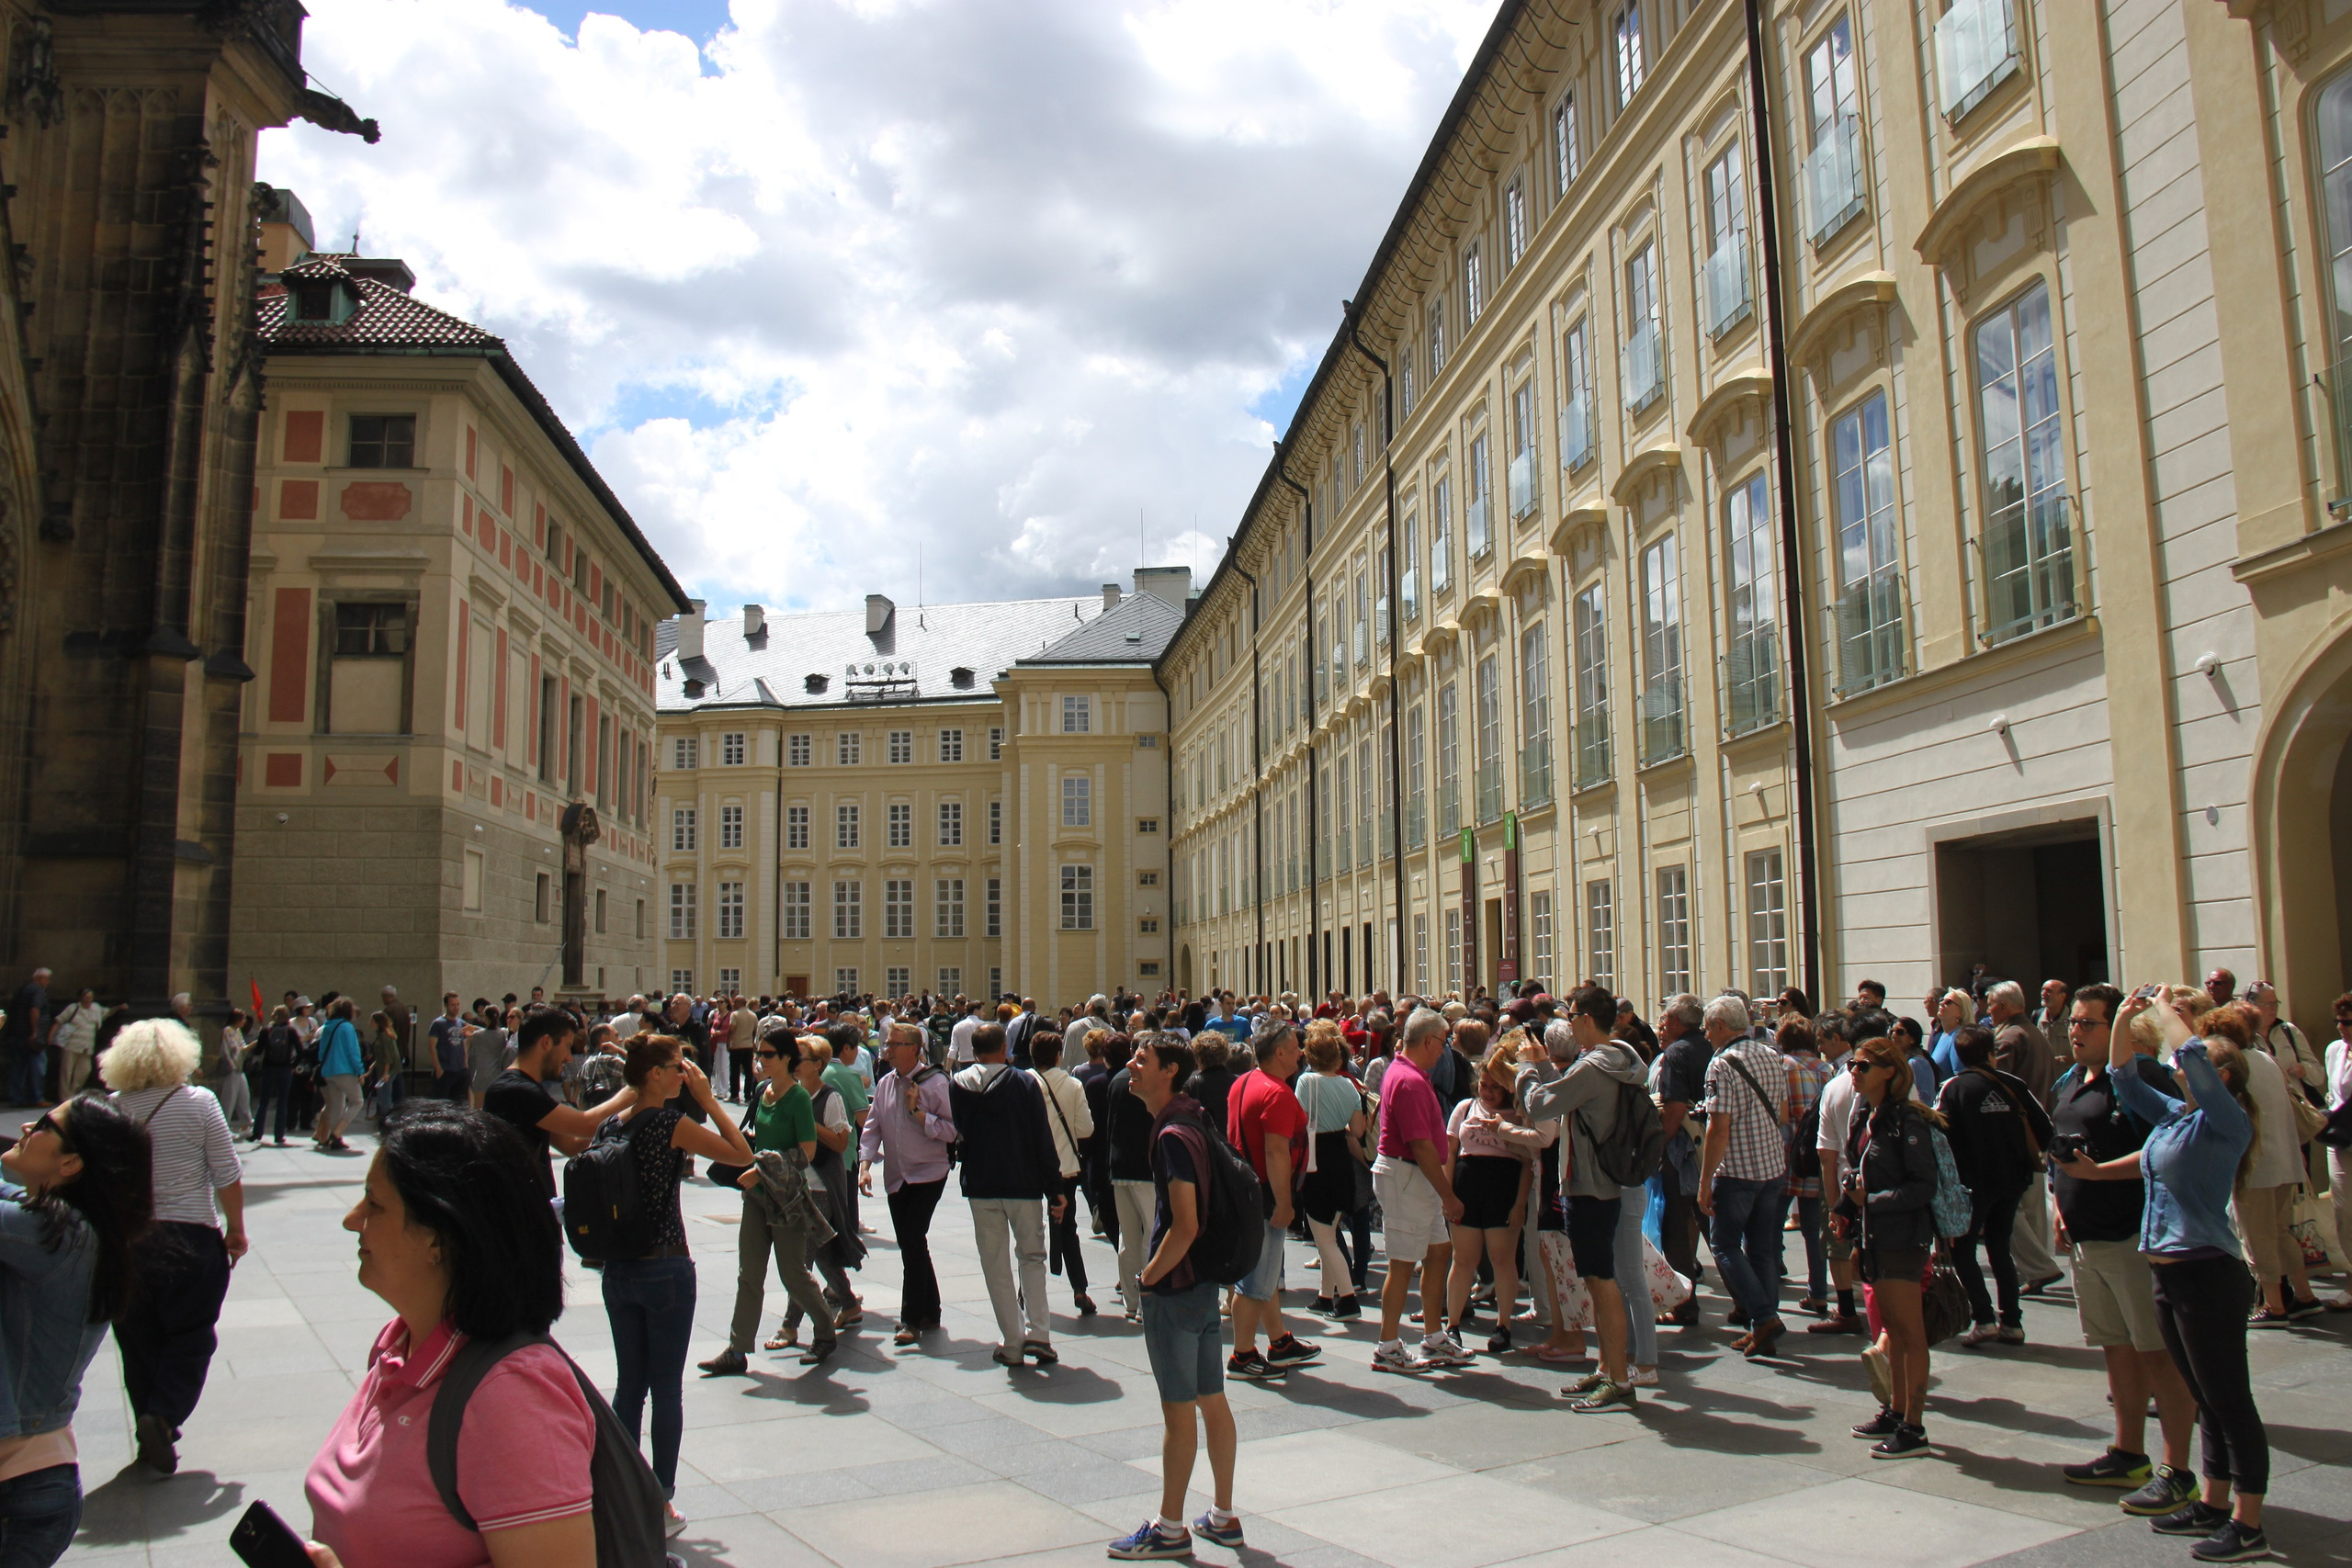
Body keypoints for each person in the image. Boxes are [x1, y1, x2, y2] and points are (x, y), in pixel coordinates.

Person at [300, 1101, 607, 1568]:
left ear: (439, 1237)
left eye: (376, 1204)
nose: (353, 1219)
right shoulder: (398, 1344)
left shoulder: (510, 1397)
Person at [2062, 990, 2269, 1563]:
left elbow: (2196, 1059)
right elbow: (2126, 1080)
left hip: (2207, 1274)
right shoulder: (2177, 1119)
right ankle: (2214, 1501)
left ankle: (2249, 1524)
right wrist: (2128, 1018)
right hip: (2167, 1275)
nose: (2179, 1073)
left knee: (2230, 1401)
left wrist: (2178, 1020)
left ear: (2221, 1078)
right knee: (2204, 1395)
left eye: (2192, 1069)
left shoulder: (2225, 1123)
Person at [2049, 982, 2203, 1514]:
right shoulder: (2070, 1080)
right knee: (2116, 1347)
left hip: (2134, 1237)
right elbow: (2059, 1149)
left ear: (2118, 1026)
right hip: (2086, 1238)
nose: (2075, 1031)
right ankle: (2128, 1453)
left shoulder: (2139, 1078)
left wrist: (2097, 1174)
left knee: (2159, 1353)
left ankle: (2178, 1469)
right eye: (2073, 1021)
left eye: (2088, 1023)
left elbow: (2169, 1145)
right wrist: (2060, 1204)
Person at [594, 1036, 751, 1529]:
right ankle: (660, 1501)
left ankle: (620, 1491)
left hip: (618, 1268)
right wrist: (708, 1101)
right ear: (657, 1075)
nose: (684, 1075)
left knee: (628, 1388)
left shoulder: (609, 1126)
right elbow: (740, 1152)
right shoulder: (670, 1123)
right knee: (665, 1390)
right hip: (665, 1264)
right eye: (677, 1068)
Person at [1108, 1032, 1243, 1562]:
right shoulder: (1194, 1117)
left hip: (1178, 1287)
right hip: (1204, 1285)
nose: (1132, 1067)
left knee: (1178, 1412)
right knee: (1212, 1398)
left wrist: (1147, 1277)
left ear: (1169, 1071)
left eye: (1142, 1061)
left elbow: (1183, 1225)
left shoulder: (1171, 1135)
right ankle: (1224, 1515)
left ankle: (1169, 1528)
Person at [0, 1096, 152, 1565]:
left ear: (70, 1162)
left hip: (19, 1488)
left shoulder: (60, 1233)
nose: (27, 1125)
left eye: (45, 1124)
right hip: (34, 1477)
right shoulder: (63, 1226)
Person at [99, 1019, 246, 1476]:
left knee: (136, 1338)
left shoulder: (110, 1110)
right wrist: (236, 1228)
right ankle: (162, 1417)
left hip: (130, 1241)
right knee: (191, 1335)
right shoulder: (200, 1103)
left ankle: (150, 1418)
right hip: (191, 1236)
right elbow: (226, 1172)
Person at [1515, 986, 1647, 1409]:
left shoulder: (1593, 1067)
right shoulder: (1616, 1058)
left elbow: (1540, 1105)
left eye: (1571, 1015)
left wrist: (1528, 1069)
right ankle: (1606, 1370)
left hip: (1589, 1184)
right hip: (1603, 1181)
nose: (1568, 1023)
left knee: (1600, 1280)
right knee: (1599, 1277)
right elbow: (1571, 1094)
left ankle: (1619, 1380)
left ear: (1587, 1019)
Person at [701, 1029, 838, 1374]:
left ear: (787, 1059)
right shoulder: (762, 1092)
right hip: (756, 1197)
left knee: (793, 1273)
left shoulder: (798, 1099)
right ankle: (737, 1349)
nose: (760, 1059)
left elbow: (807, 1151)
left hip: (787, 1197)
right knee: (749, 1274)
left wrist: (761, 1170)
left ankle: (825, 1331)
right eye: (759, 1053)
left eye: (767, 1054)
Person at [1834, 1034, 1942, 1461]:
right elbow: (1861, 1170)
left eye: (1863, 1066)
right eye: (1852, 1066)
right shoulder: (1867, 1114)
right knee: (1892, 1330)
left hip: (1902, 1237)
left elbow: (1922, 1187)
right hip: (1874, 1235)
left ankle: (1914, 1425)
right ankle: (1895, 1411)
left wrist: (1871, 1202)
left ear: (1890, 1072)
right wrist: (1847, 1205)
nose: (1854, 1073)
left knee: (1909, 1333)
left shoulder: (1907, 1121)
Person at [951, 1022, 1064, 1367]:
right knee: (1032, 1257)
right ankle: (1040, 1334)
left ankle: (1012, 1341)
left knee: (995, 1263)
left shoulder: (958, 1084)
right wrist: (1055, 1187)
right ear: (1004, 1048)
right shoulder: (1025, 1081)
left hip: (982, 1183)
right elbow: (1041, 1137)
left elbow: (961, 1130)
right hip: (1024, 1182)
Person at [1936, 1023, 2053, 1346]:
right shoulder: (2013, 1084)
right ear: (1991, 1053)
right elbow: (2045, 1129)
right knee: (2000, 1247)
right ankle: (2012, 1321)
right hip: (2013, 1179)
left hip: (1973, 1183)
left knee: (1964, 1251)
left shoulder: (1953, 1089)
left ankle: (1984, 1318)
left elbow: (1938, 1135)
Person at [1369, 1009, 1470, 1374]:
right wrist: (1448, 1195)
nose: (1444, 1051)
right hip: (1407, 1175)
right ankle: (1388, 1346)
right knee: (1402, 1262)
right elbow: (1421, 1145)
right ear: (1428, 1041)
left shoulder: (1407, 1072)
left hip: (1414, 1176)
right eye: (1443, 1043)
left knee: (1439, 1252)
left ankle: (1433, 1336)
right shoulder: (1409, 1080)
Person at [2209, 1008, 2320, 1325]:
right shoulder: (2266, 1059)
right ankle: (2304, 1294)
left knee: (2257, 1237)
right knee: (2282, 1232)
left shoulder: (2236, 1067)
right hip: (2285, 1161)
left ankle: (2274, 1305)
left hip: (2255, 1166)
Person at [1696, 994, 1792, 1359]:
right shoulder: (1770, 1054)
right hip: (1770, 1165)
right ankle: (1762, 1326)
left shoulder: (1721, 1064)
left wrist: (1705, 1183)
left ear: (1721, 1026)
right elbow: (1782, 1114)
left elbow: (1719, 1129)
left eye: (1708, 1028)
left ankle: (1764, 1318)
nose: (1706, 1035)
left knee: (1724, 1245)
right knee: (1762, 1248)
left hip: (1737, 1170)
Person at [1443, 1043, 1551, 1356]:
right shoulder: (1464, 1108)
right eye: (1483, 1085)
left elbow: (1529, 1163)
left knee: (1503, 1259)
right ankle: (1452, 1325)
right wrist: (1447, 1194)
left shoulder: (1519, 1115)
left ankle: (1504, 1325)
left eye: (1495, 1087)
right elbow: (1449, 1152)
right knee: (1463, 1259)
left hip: (1503, 1187)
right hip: (1467, 1184)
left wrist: (1520, 1204)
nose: (1488, 1092)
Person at [1226, 1020, 1318, 1379]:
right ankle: (1242, 1356)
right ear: (1279, 1053)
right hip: (1264, 1193)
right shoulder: (1277, 1093)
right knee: (1255, 1283)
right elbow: (1277, 1150)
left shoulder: (1244, 1082)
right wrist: (1284, 1202)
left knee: (1260, 1277)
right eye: (1296, 1046)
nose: (1301, 1051)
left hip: (1244, 1188)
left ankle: (1279, 1342)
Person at [857, 1023, 956, 1347]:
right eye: (886, 1044)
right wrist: (865, 1164)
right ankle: (931, 1309)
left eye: (894, 1044)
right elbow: (872, 1127)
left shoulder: (936, 1083)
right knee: (912, 1244)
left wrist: (918, 1112)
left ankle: (910, 1320)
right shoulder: (886, 1083)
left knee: (912, 1241)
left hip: (928, 1173)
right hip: (898, 1176)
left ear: (914, 1048)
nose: (886, 1049)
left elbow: (951, 1131)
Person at [480, 1009, 635, 1200]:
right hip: (518, 1214)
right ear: (546, 1042)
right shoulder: (515, 1090)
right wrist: (636, 1089)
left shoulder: (522, 1088)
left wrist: (633, 1110)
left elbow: (572, 1145)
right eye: (568, 1046)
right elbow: (586, 1124)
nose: (569, 1058)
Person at [1987, 980, 2062, 1294]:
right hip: (2037, 1129)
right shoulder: (2034, 1034)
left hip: (2015, 1133)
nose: (1988, 1010)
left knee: (2005, 1205)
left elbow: (1997, 1085)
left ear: (2003, 1006)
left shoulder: (2009, 1037)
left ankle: (2038, 1267)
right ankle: (2036, 1269)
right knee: (2030, 1205)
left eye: (1990, 1004)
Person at [1295, 1022, 1369, 1321]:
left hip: (1316, 1160)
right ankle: (1326, 1297)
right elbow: (1358, 1130)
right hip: (1341, 1157)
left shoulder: (1306, 1082)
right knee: (1331, 1230)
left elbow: (1299, 1122)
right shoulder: (1349, 1085)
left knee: (1324, 1238)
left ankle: (1347, 1300)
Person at [1650, 994, 1710, 1325]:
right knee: (1711, 1226)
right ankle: (1751, 1303)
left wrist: (1658, 1147)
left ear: (1675, 1021)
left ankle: (1685, 1304)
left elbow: (1674, 1110)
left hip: (1682, 1149)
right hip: (1708, 1145)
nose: (1662, 1026)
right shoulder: (1708, 1046)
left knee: (1676, 1228)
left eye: (1664, 1020)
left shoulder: (1675, 1053)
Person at [1032, 1031, 1099, 1316]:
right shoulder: (1072, 1084)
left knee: (1031, 1232)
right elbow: (1085, 1129)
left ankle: (1029, 1291)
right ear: (1058, 1056)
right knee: (1068, 1228)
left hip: (1032, 1167)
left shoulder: (1025, 1082)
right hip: (1065, 1167)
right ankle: (1080, 1289)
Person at [1103, 1035, 1157, 1321]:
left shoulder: (1117, 1080)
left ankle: (1131, 1301)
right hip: (1146, 1167)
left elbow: (1110, 1124)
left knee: (1128, 1235)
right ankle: (1148, 1294)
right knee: (1151, 1231)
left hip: (1120, 1165)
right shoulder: (1149, 1080)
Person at [313, 998, 367, 1153]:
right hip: (345, 1070)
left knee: (336, 1106)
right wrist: (360, 1071)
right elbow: (353, 1052)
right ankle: (336, 1134)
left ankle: (335, 1136)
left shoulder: (327, 1027)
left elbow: (321, 1052)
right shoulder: (347, 1027)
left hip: (328, 1071)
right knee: (357, 1101)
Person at [249, 1006, 301, 1146]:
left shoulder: (266, 1030)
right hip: (285, 1068)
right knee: (282, 1102)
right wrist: (293, 1065)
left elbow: (258, 1051)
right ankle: (279, 1135)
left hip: (268, 1068)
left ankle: (257, 1132)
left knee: (263, 1101)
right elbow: (300, 1051)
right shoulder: (291, 1031)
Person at [52, 989, 102, 1104]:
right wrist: (51, 1036)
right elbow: (59, 1021)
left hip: (87, 1047)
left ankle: (73, 1094)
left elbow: (107, 1012)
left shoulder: (95, 1010)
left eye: (91, 997)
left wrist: (119, 1007)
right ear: (81, 998)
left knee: (84, 1070)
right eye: (86, 997)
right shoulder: (73, 1008)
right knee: (67, 1071)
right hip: (71, 1045)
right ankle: (65, 1097)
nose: (88, 1000)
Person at [210, 1009, 254, 1138]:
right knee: (228, 1099)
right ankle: (223, 1128)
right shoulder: (228, 1030)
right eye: (243, 1018)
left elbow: (243, 1048)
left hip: (239, 1068)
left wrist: (255, 1043)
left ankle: (246, 1125)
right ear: (237, 1019)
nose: (245, 1021)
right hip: (231, 1068)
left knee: (244, 1096)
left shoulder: (237, 1031)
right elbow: (235, 1049)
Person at [426, 995, 470, 1103]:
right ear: (446, 1005)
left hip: (460, 1070)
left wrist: (465, 1064)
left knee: (459, 1103)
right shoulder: (438, 1023)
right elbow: (432, 1046)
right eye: (452, 1005)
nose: (456, 1008)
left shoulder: (461, 1023)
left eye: (458, 1004)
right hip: (445, 1070)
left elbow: (463, 1044)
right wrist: (438, 1068)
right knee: (441, 1103)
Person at [465, 1005, 509, 1111]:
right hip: (496, 1076)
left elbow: (467, 1047)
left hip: (481, 1076)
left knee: (479, 1110)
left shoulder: (477, 1036)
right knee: (495, 1110)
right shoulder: (503, 1034)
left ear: (485, 1017)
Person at [368, 1010, 406, 1122]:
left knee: (385, 1098)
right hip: (384, 1069)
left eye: (372, 1020)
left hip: (387, 1071)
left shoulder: (384, 1036)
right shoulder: (382, 1035)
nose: (370, 1022)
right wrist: (373, 1066)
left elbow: (388, 1056)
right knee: (382, 1096)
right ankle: (386, 1119)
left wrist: (386, 1073)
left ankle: (388, 1122)